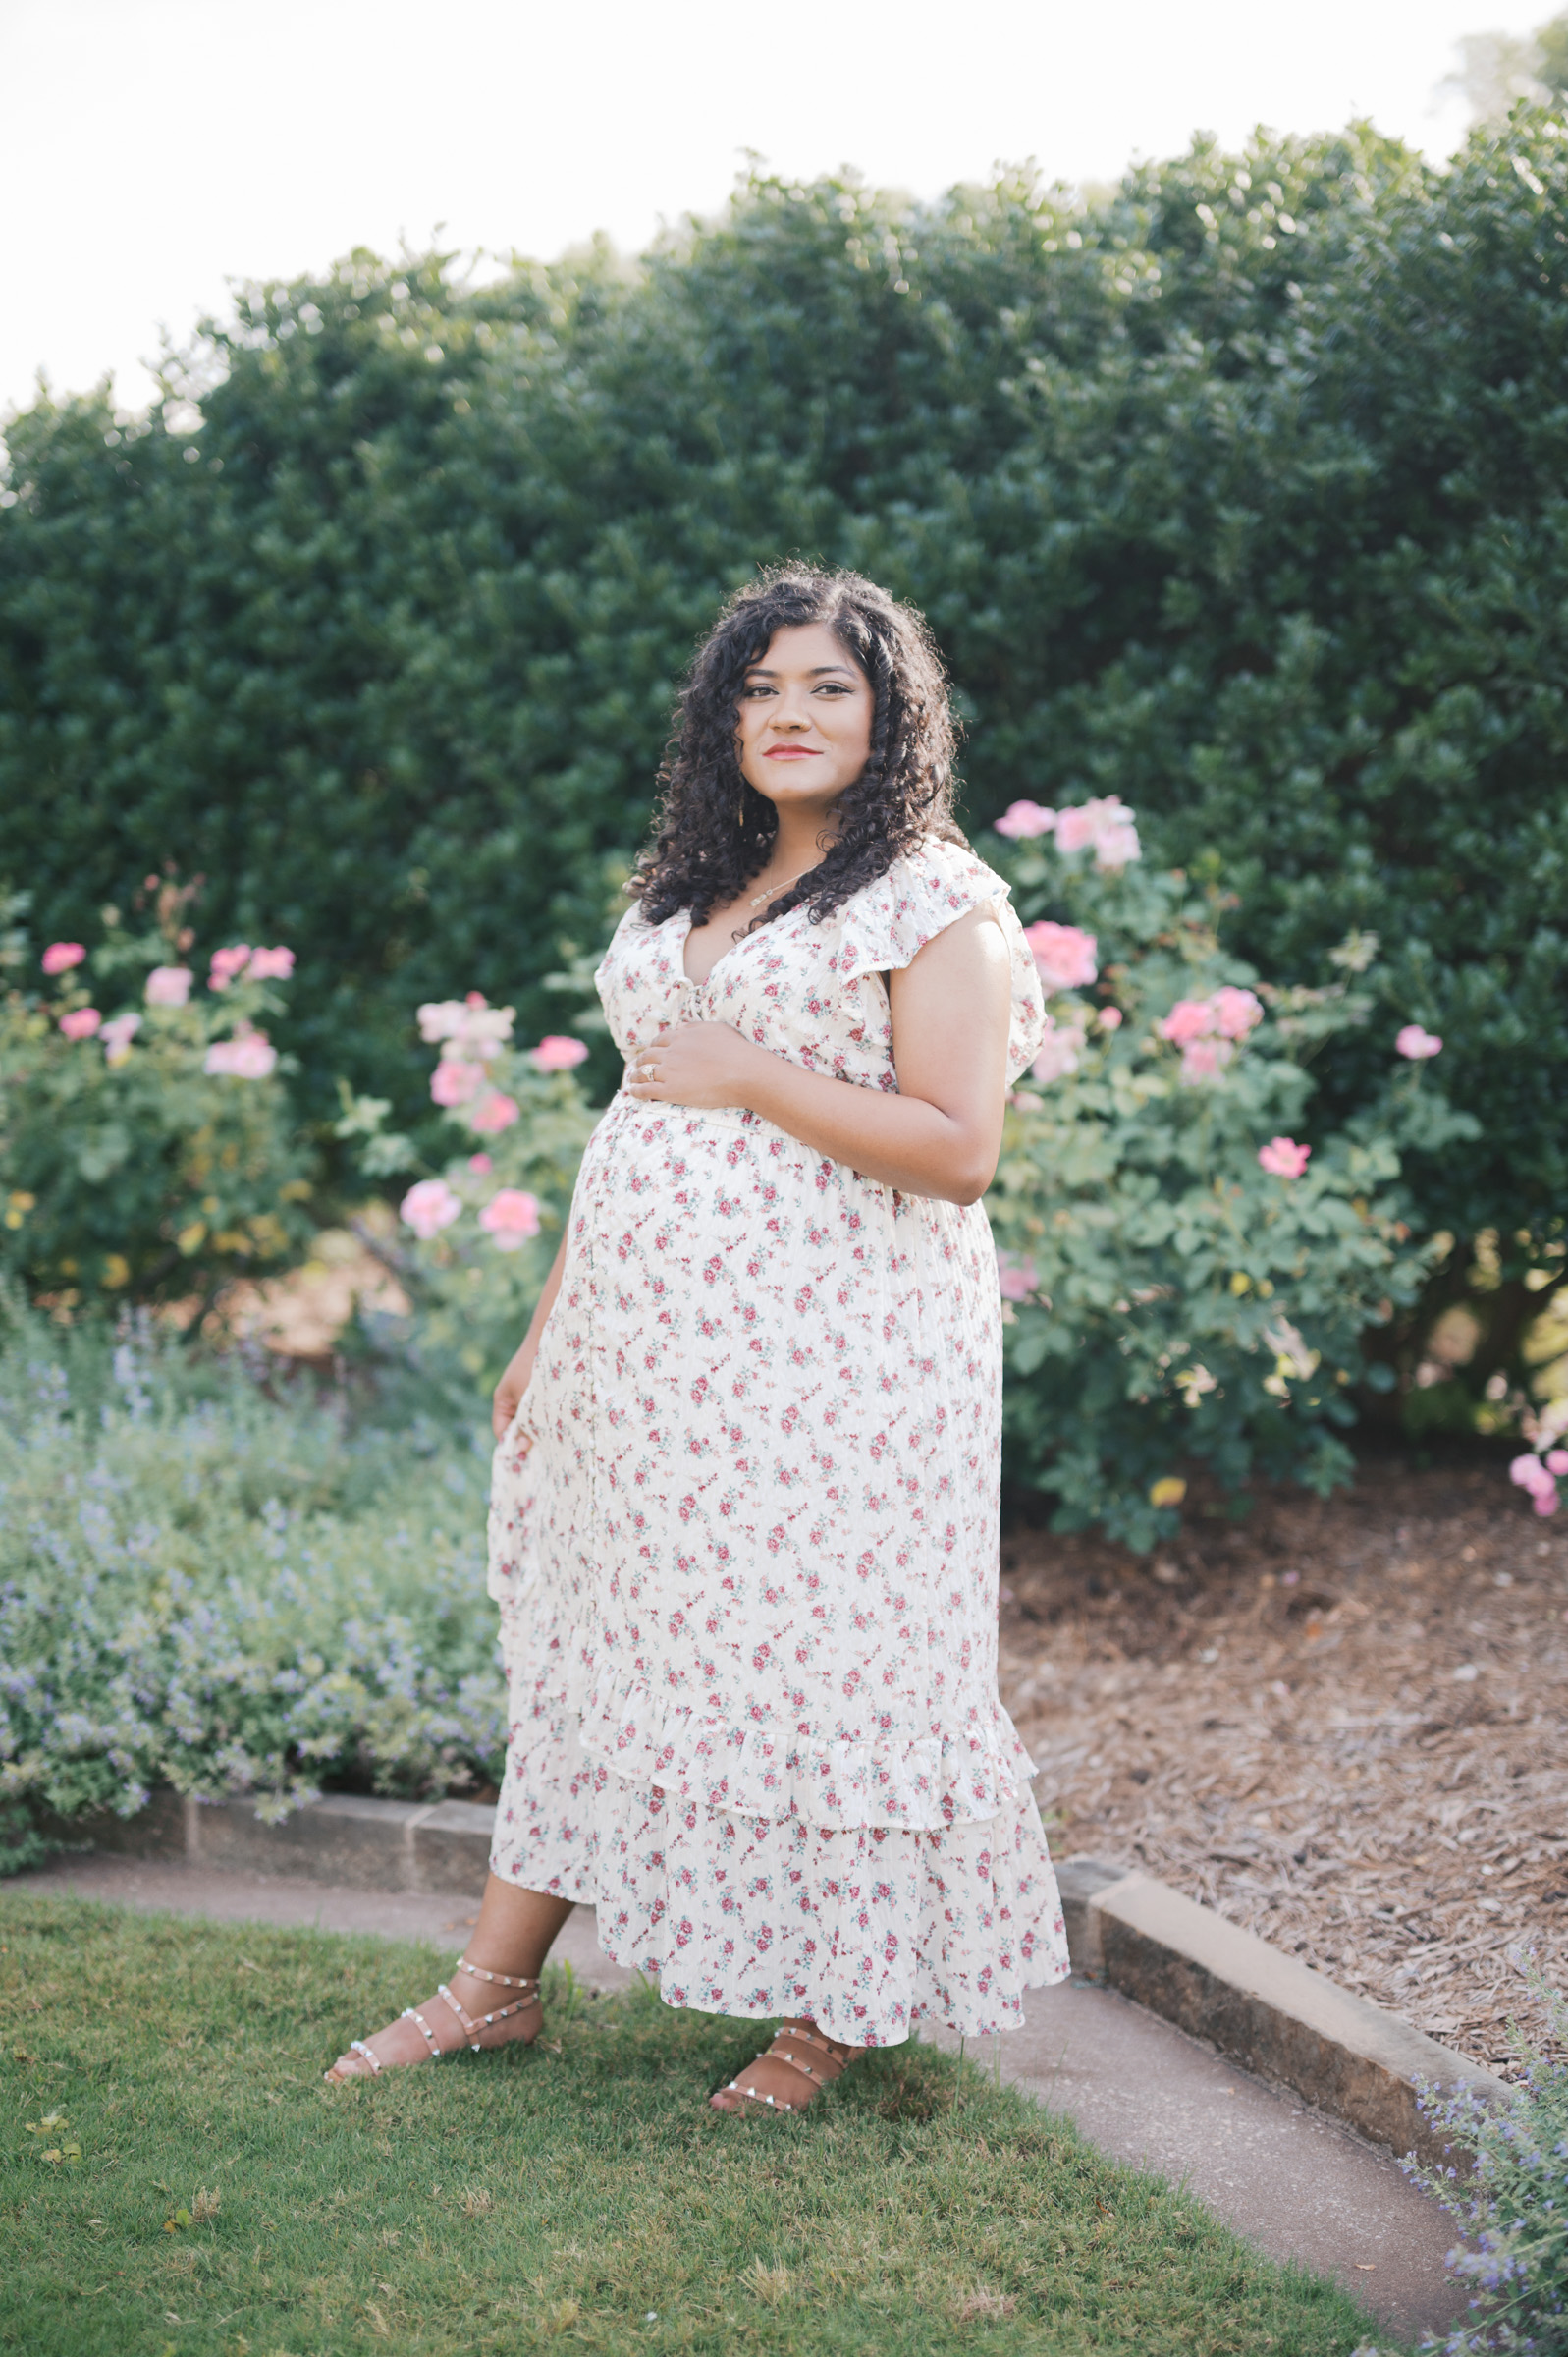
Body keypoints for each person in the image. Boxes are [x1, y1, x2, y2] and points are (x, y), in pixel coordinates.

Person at [328, 566, 1070, 2108]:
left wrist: (754, 1073)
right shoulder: (691, 889)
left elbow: (955, 1148)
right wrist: (553, 1328)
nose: (787, 715)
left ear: (890, 713)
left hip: (844, 1367)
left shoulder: (936, 899)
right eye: (759, 689)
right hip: (655, 1362)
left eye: (827, 687)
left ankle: (841, 2007)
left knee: (837, 1666)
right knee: (618, 1651)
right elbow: (637, 1116)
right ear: (720, 717)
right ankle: (492, 1989)